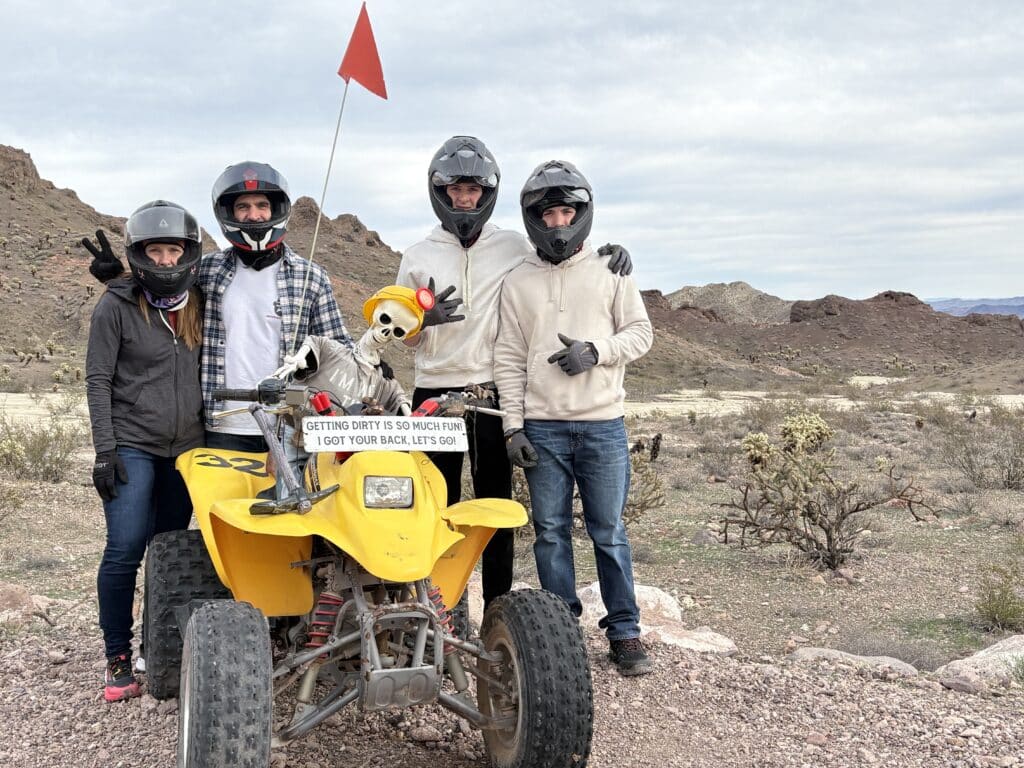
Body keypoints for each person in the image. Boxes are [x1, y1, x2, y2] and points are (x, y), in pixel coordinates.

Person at [396, 136, 633, 609]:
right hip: (433, 390)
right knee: (431, 508)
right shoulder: (416, 255)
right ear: (439, 192)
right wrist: (421, 322)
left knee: (495, 509)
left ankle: (498, 611)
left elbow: (560, 253)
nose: (466, 199)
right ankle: (436, 612)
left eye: (474, 191)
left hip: (489, 392)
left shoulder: (512, 245)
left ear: (488, 194)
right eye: (457, 190)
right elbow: (403, 334)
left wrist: (610, 250)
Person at [493, 160, 655, 676]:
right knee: (550, 533)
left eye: (567, 212)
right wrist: (512, 426)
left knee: (608, 532)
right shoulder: (517, 281)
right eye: (549, 214)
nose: (559, 223)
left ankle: (625, 633)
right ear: (533, 219)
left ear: (581, 214)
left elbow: (640, 333)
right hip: (542, 426)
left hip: (603, 423)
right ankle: (561, 633)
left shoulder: (612, 269)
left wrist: (597, 351)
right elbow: (509, 358)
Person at [86, 162, 353, 452]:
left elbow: (337, 347)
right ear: (229, 213)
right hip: (221, 425)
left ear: (276, 209)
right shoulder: (208, 270)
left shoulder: (310, 277)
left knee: (298, 499)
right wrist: (118, 278)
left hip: (289, 426)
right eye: (243, 207)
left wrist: (371, 363)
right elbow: (162, 291)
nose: (253, 215)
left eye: (262, 205)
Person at [85, 201, 205, 701]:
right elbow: (98, 378)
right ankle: (117, 653)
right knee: (126, 547)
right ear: (139, 255)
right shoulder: (116, 306)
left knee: (169, 550)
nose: (163, 260)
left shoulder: (199, 300)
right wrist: (105, 450)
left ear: (187, 253)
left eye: (171, 249)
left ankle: (156, 649)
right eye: (153, 251)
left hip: (188, 450)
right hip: (132, 444)